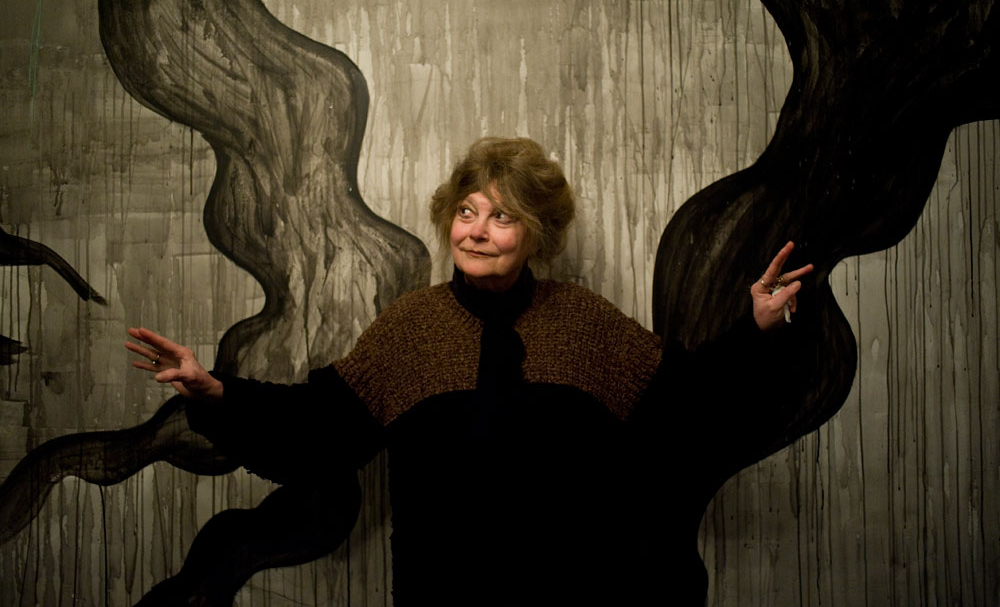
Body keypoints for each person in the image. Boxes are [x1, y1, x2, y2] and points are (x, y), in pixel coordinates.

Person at [126, 136, 812, 605]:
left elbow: (686, 405)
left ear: (536, 234)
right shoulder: (413, 328)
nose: (477, 231)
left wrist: (754, 328)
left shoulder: (583, 322)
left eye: (502, 216)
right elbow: (321, 428)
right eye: (466, 211)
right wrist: (216, 394)